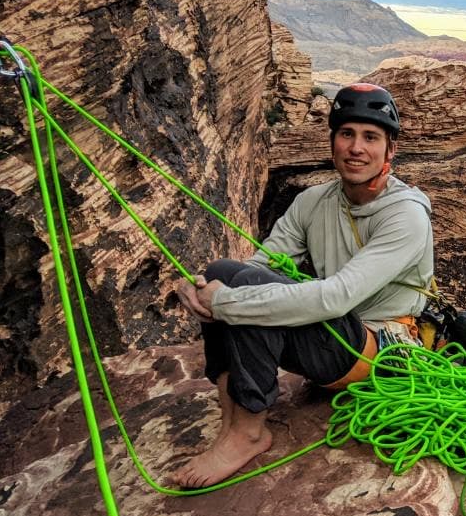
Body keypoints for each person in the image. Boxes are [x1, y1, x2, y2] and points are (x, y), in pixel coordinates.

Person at [173, 83, 435, 487]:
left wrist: (228, 303)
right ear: (332, 141)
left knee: (243, 294)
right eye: (346, 133)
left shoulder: (406, 216)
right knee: (226, 270)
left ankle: (249, 433)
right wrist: (204, 289)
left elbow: (337, 295)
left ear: (390, 151)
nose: (356, 148)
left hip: (378, 349)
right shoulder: (313, 201)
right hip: (334, 336)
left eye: (370, 137)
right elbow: (260, 265)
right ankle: (231, 418)